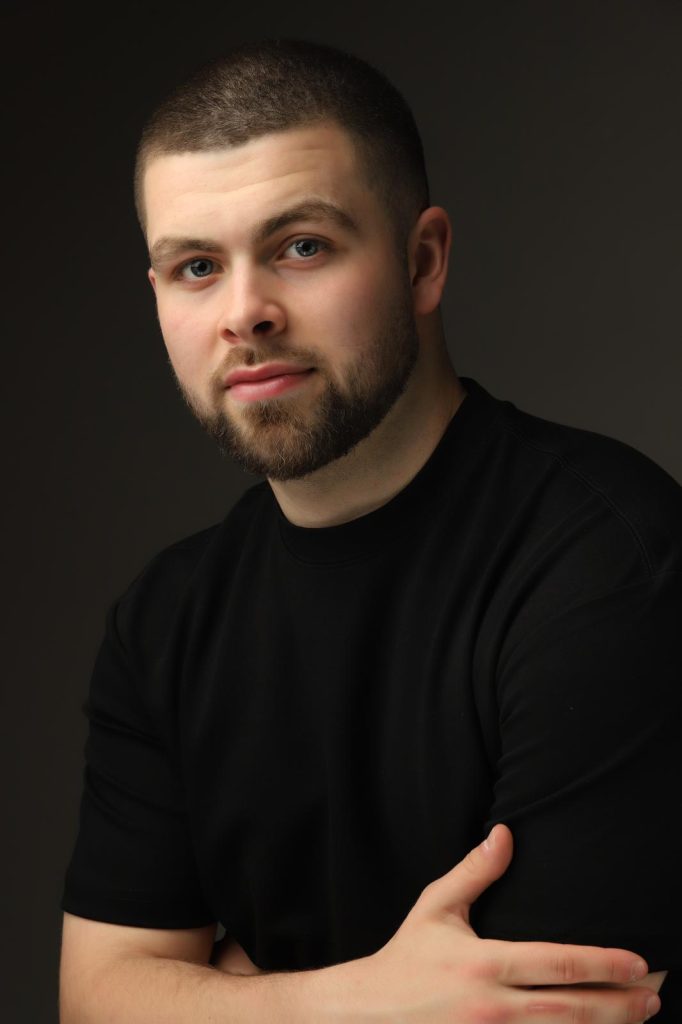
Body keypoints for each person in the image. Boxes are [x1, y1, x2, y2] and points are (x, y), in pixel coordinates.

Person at [58, 38, 681, 1022]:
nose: (244, 313)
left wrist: (227, 991)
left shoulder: (609, 560)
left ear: (422, 260)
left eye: (301, 246)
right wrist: (357, 1001)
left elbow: (548, 1012)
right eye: (196, 267)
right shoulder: (165, 621)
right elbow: (95, 997)